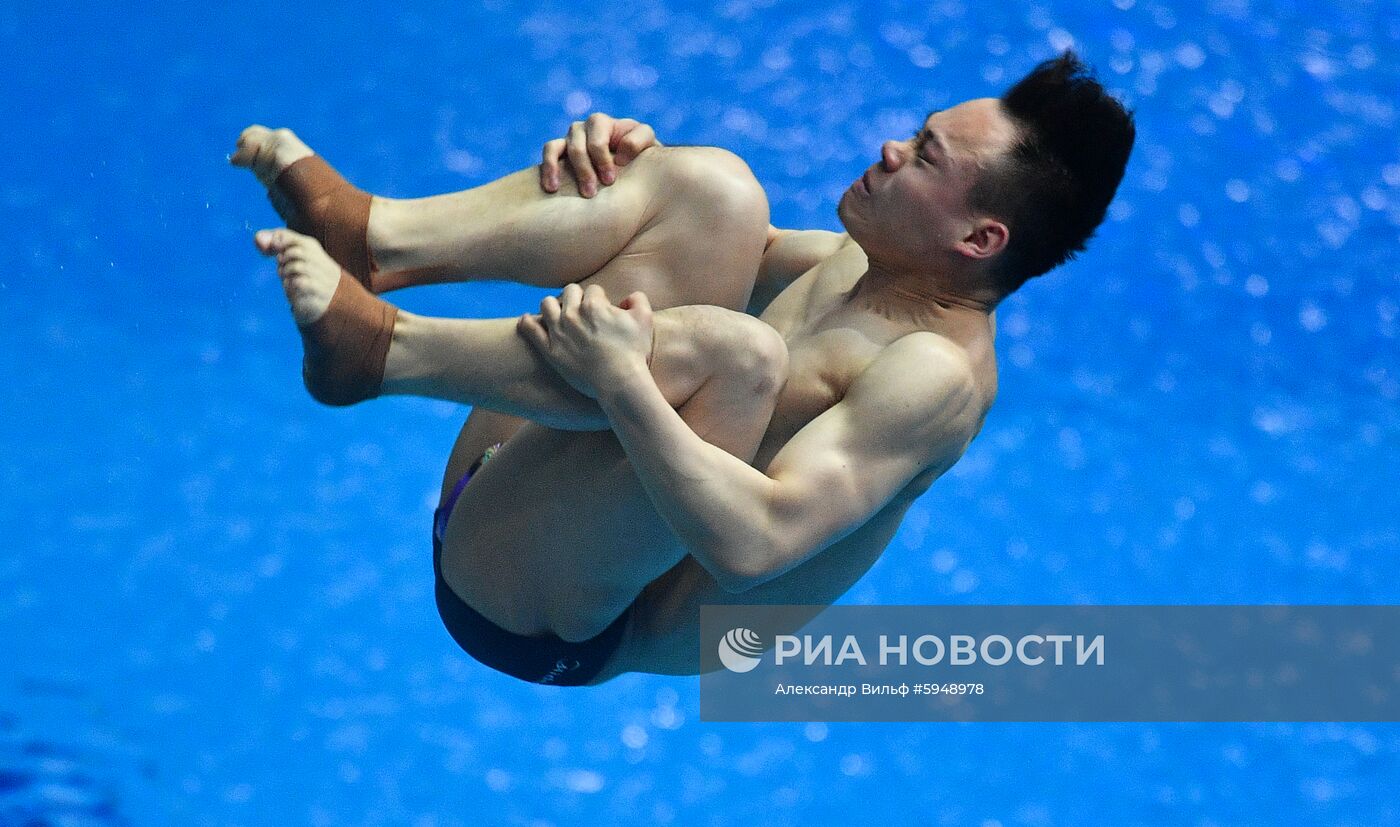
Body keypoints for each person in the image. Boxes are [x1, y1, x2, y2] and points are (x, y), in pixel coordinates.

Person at [231, 52, 1134, 686]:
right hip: (510, 491)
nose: (892, 148)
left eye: (925, 156)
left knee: (738, 356)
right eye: (915, 131)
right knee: (716, 189)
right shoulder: (865, 262)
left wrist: (623, 379)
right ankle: (381, 238)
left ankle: (382, 352)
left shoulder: (934, 379)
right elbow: (664, 223)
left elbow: (755, 549)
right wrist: (616, 160)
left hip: (554, 614)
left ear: (978, 239)